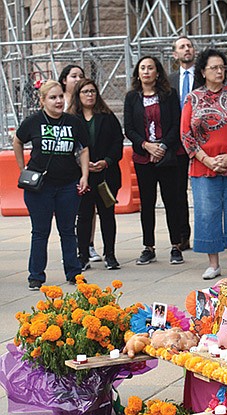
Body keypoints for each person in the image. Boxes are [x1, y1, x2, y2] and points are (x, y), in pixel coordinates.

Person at [181, 49, 227, 280]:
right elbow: (186, 134)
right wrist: (207, 159)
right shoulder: (193, 98)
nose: (219, 71)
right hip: (204, 167)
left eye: (222, 67)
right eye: (214, 68)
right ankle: (213, 263)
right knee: (207, 212)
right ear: (203, 71)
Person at [13, 80, 89, 290]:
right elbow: (17, 141)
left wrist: (84, 175)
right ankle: (36, 276)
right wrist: (23, 169)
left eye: (60, 97)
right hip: (40, 187)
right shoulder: (34, 121)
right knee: (40, 231)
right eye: (53, 97)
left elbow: (83, 149)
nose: (58, 101)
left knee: (67, 230)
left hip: (68, 184)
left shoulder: (74, 122)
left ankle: (74, 273)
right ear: (42, 101)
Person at [124, 55, 184, 266]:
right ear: (138, 74)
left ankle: (176, 246)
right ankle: (148, 247)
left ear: (158, 73)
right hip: (143, 156)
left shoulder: (169, 95)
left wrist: (162, 146)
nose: (147, 71)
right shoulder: (132, 97)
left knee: (172, 201)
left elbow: (177, 124)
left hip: (167, 154)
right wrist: (146, 145)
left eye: (151, 68)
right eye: (143, 68)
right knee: (147, 203)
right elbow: (129, 128)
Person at [69, 79, 124, 271]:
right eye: (85, 92)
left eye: (92, 91)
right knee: (84, 216)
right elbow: (69, 147)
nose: (89, 95)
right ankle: (82, 255)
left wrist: (106, 161)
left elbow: (118, 142)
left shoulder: (107, 116)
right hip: (82, 177)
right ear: (78, 95)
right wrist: (82, 164)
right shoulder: (71, 119)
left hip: (106, 176)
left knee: (107, 215)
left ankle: (110, 254)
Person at [59, 64, 101, 262]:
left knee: (88, 209)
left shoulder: (87, 102)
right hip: (66, 162)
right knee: (71, 209)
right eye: (73, 76)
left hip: (87, 161)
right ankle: (71, 248)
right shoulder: (60, 101)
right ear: (64, 80)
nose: (77, 79)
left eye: (81, 76)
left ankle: (88, 244)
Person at [168, 35, 197, 252]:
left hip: (202, 140)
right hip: (176, 143)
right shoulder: (169, 80)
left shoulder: (204, 77)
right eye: (182, 47)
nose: (186, 49)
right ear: (175, 54)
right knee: (177, 191)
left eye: (189, 46)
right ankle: (182, 235)